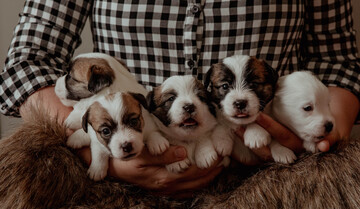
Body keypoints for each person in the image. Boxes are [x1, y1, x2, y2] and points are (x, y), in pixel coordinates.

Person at [1, 0, 359, 197]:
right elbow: (25, 64)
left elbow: (340, 62)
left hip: (281, 181)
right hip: (114, 191)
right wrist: (101, 150)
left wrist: (322, 130)